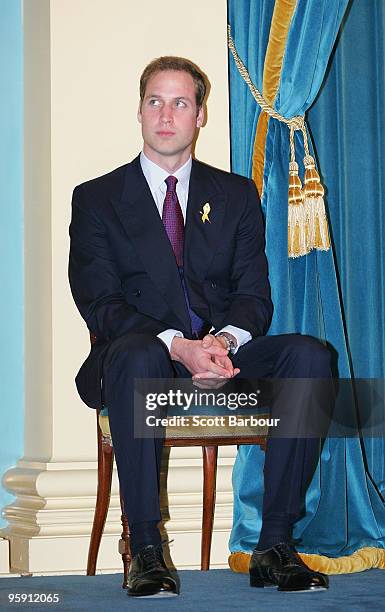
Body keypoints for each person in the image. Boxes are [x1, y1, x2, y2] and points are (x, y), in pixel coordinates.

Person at [69, 56, 331, 597]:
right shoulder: (96, 198)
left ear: (200, 115)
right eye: (154, 102)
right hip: (142, 357)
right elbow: (101, 303)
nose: (166, 115)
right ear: (139, 113)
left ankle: (275, 547)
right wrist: (181, 347)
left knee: (310, 356)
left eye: (180, 103)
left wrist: (224, 342)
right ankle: (145, 549)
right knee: (139, 353)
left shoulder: (235, 195)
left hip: (218, 354)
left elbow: (255, 297)